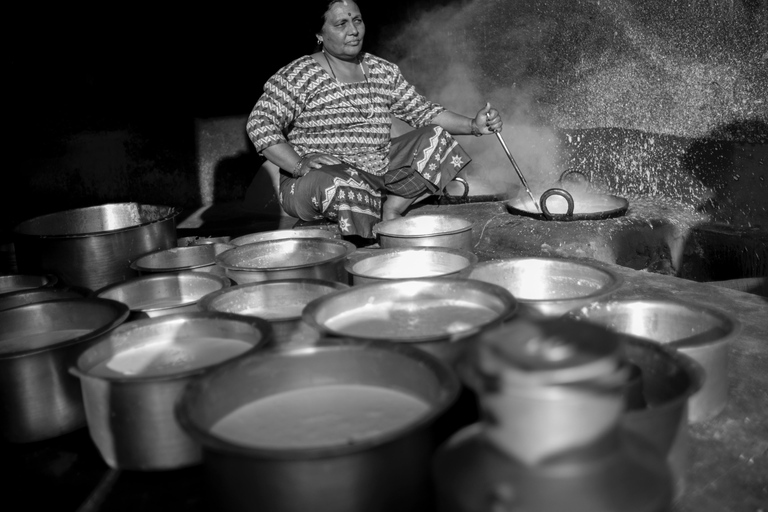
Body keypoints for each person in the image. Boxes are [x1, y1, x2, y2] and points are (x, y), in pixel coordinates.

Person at [247, 0, 503, 241]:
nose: (353, 30)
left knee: (438, 139)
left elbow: (423, 111)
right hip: (317, 181)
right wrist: (300, 164)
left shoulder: (382, 70)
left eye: (357, 21)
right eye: (341, 24)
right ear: (319, 34)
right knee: (341, 183)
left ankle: (391, 210)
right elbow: (260, 123)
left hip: (378, 170)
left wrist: (473, 125)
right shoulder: (299, 74)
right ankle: (368, 228)